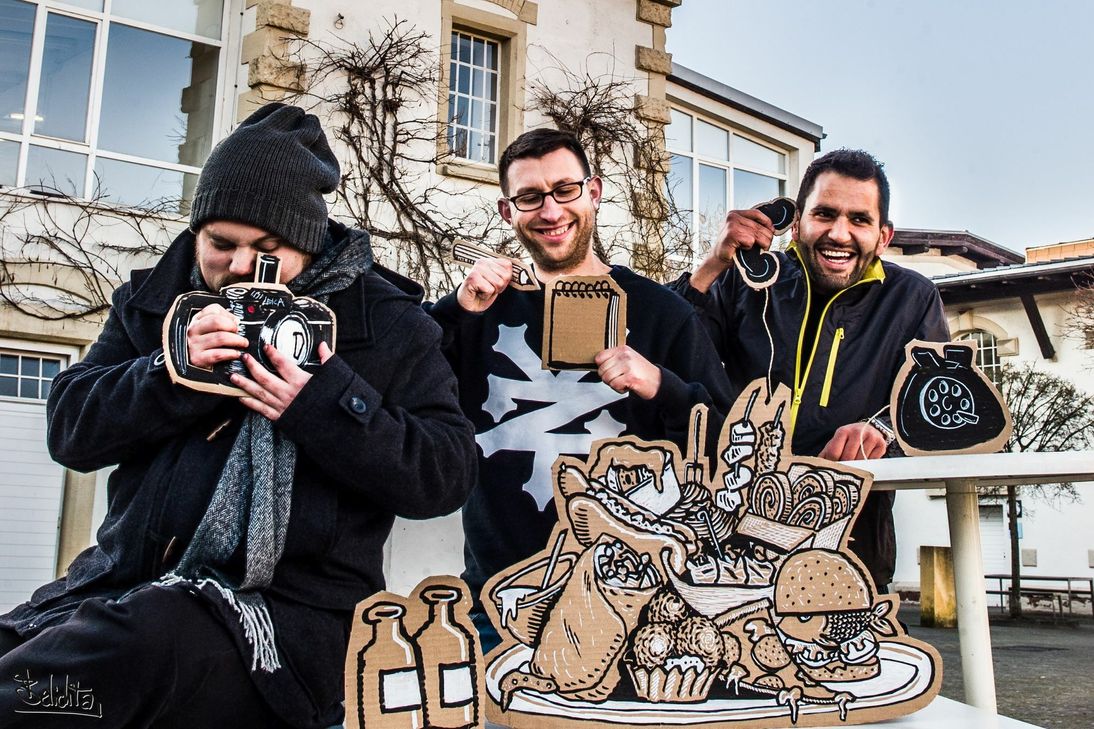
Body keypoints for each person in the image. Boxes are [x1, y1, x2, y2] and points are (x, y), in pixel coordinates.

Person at [0, 103, 476, 728]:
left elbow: (444, 472)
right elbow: (71, 429)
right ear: (195, 232)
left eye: (267, 249)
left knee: (135, 647)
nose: (241, 267)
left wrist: (319, 404)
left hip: (286, 620)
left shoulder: (386, 323)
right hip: (122, 585)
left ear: (306, 241)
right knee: (35, 662)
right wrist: (171, 373)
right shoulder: (157, 301)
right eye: (220, 245)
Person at [428, 128, 734, 650]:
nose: (550, 211)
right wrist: (455, 310)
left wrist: (661, 386)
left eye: (565, 190)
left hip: (641, 608)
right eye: (530, 197)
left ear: (593, 192)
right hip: (499, 605)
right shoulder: (478, 310)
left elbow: (733, 441)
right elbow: (404, 387)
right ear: (508, 211)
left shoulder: (665, 315)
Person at [672, 148, 949, 592]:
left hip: (851, 542)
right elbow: (669, 351)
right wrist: (712, 264)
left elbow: (933, 405)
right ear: (797, 222)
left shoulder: (912, 298)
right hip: (726, 534)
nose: (839, 233)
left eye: (859, 220)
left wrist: (881, 433)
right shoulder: (746, 280)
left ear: (883, 236)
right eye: (825, 214)